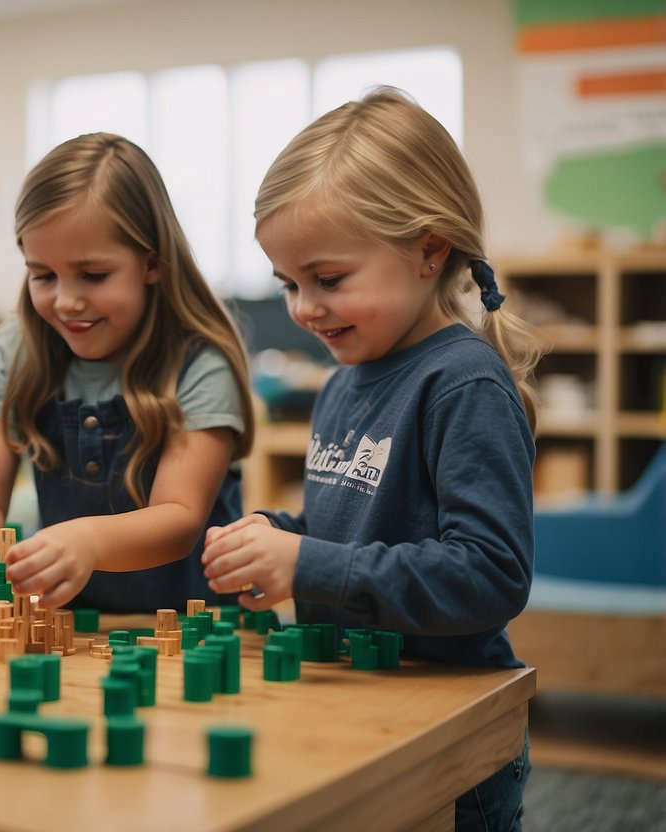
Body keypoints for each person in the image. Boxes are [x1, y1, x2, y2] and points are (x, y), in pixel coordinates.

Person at [201, 88, 541, 830]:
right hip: (364, 704)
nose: (301, 308)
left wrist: (306, 562)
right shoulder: (340, 380)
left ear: (428, 248)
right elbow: (354, 524)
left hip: (451, 727)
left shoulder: (462, 383)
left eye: (327, 280)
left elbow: (489, 575)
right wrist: (272, 535)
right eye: (288, 284)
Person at [0, 132, 255, 611]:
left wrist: (87, 541)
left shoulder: (198, 365)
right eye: (43, 275)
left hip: (191, 628)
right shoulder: (14, 353)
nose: (66, 301)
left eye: (93, 276)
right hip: (71, 628)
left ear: (152, 264)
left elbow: (179, 518)